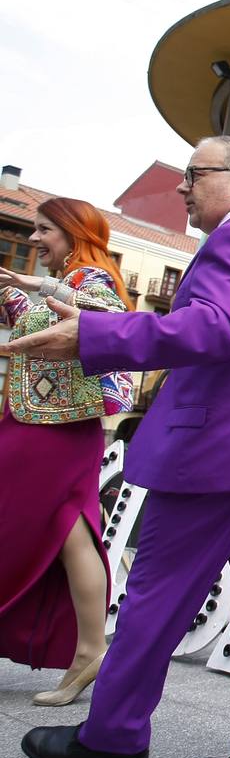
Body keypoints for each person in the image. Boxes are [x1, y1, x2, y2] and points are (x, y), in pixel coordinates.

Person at [11, 136, 230, 758]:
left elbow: (215, 327)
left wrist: (96, 335)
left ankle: (112, 737)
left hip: (218, 456)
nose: (183, 187)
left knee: (154, 603)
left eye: (195, 174)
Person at [0, 198, 133, 706]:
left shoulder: (91, 279)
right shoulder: (60, 281)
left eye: (43, 230)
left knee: (63, 526)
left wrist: (40, 285)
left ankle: (91, 650)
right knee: (66, 528)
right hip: (34, 422)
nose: (34, 240)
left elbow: (109, 320)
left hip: (53, 429)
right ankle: (88, 651)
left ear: (75, 233)